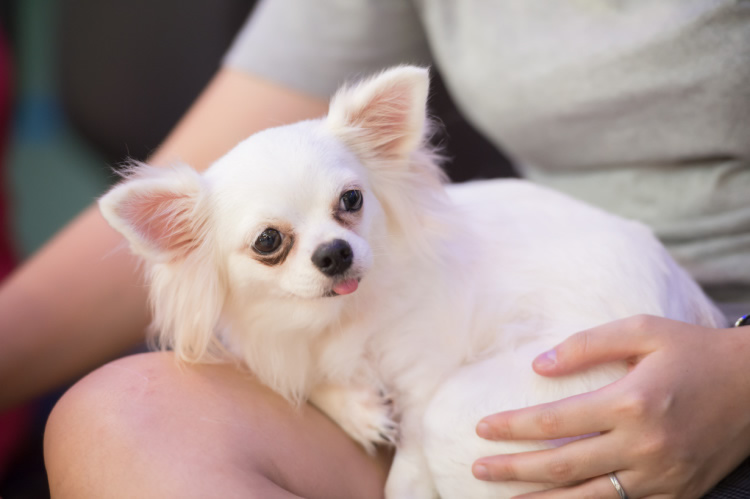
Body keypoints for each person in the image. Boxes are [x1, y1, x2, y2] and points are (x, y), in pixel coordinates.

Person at [1, 1, 747, 497]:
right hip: (505, 369)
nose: (329, 250)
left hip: (679, 357)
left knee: (454, 438)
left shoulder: (416, 264)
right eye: (271, 245)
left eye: (348, 207)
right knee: (116, 414)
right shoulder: (245, 247)